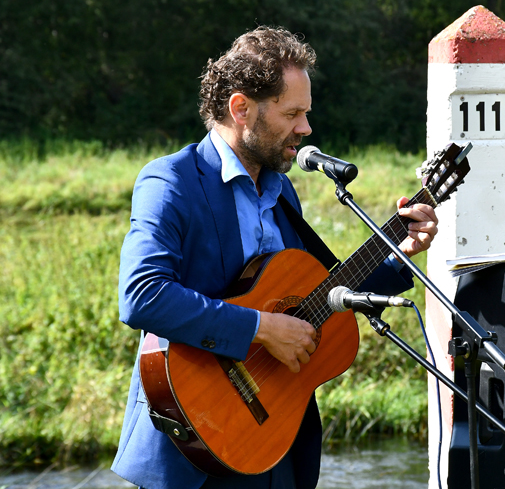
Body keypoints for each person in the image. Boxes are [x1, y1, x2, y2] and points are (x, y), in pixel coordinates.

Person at [111, 26, 439, 489]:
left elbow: (320, 295)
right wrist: (262, 329)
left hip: (272, 440)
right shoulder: (172, 182)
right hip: (193, 444)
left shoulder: (281, 190)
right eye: (293, 114)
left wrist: (399, 253)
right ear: (240, 108)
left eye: (306, 114)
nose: (306, 129)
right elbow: (142, 297)